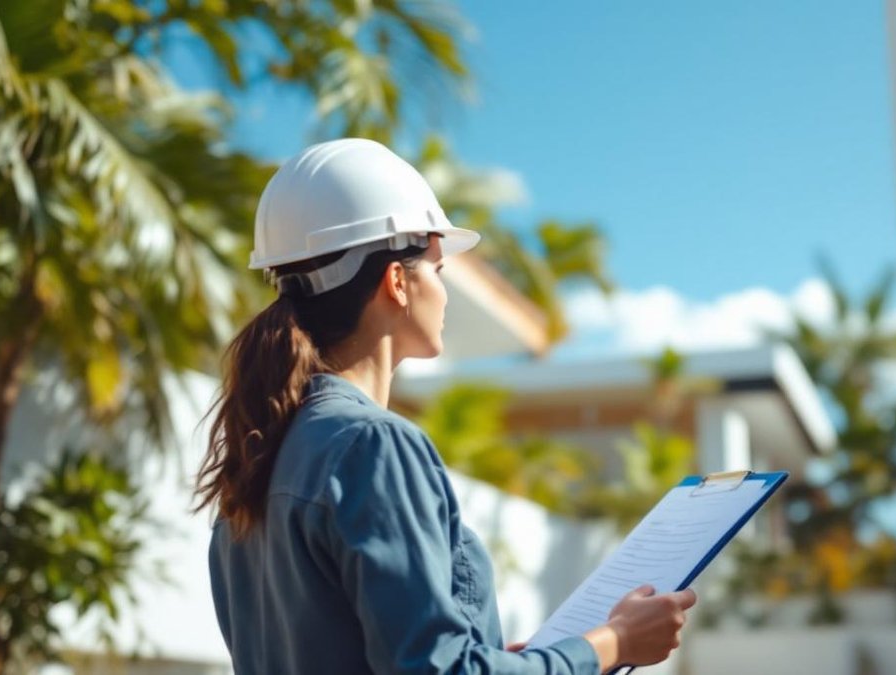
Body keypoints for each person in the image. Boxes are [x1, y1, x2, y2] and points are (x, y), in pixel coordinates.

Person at [194, 138, 697, 674]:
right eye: (437, 268)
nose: (445, 291)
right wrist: (613, 643)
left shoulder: (258, 456)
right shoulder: (372, 444)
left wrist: (501, 660)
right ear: (396, 282)